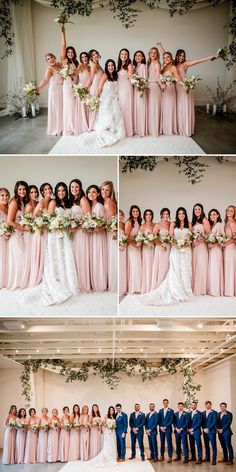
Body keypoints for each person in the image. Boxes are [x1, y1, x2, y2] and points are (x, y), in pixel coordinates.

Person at [140, 207, 192, 305]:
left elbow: (189, 237)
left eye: (167, 214)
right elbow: (162, 237)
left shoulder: (180, 224)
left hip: (178, 249)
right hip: (167, 248)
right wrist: (162, 243)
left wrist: (184, 242)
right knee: (168, 268)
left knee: (179, 269)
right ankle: (162, 287)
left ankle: (184, 288)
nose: (166, 216)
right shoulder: (168, 224)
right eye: (164, 214)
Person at [94, 59, 125, 147]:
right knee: (107, 116)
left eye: (112, 65)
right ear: (106, 67)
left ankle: (113, 130)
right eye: (109, 66)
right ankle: (105, 130)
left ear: (114, 66)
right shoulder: (105, 75)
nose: (111, 67)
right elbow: (99, 88)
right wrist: (95, 98)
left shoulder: (115, 76)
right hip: (105, 99)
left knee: (116, 115)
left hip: (114, 99)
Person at [202, 400, 218, 465]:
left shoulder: (214, 412)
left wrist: (208, 428)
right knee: (206, 445)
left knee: (213, 445)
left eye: (209, 404)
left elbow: (214, 422)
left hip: (211, 431)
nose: (207, 405)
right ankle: (207, 457)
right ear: (205, 405)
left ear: (211, 405)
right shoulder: (203, 413)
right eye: (206, 404)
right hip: (205, 431)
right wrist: (203, 428)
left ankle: (214, 459)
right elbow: (202, 422)